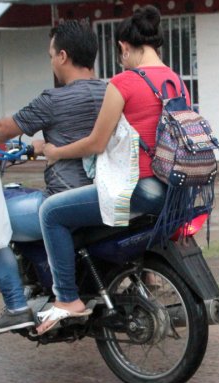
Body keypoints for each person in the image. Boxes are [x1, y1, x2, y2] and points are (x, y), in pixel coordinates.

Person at [0, 20, 106, 335]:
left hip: (63, 199)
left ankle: (16, 306)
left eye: (50, 54)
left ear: (63, 57)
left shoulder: (53, 100)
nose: (51, 60)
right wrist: (42, 146)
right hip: (103, 196)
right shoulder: (111, 92)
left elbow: (2, 130)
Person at [37, 5, 190, 335]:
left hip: (138, 189)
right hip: (172, 189)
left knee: (51, 212)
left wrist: (54, 151)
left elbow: (95, 143)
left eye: (119, 54)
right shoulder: (176, 81)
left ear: (124, 46)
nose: (120, 60)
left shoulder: (123, 83)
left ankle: (66, 298)